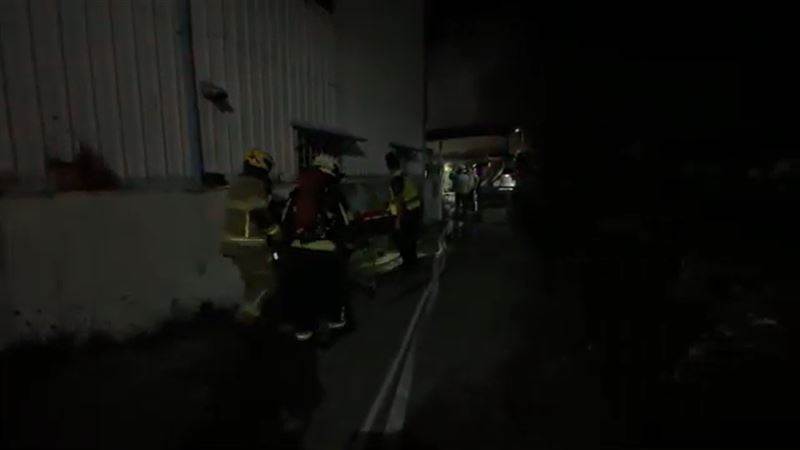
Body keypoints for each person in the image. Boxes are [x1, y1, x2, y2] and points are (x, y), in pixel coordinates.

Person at [279, 154, 353, 341]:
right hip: (326, 252)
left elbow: (285, 222)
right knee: (333, 288)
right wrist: (346, 243)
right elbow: (345, 222)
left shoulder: (297, 193)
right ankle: (335, 322)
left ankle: (303, 330)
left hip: (297, 251)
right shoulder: (332, 192)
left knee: (302, 291)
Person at [220, 149, 281, 322]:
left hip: (233, 243)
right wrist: (276, 233)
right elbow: (260, 214)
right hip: (248, 244)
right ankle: (248, 318)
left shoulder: (238, 184)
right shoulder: (255, 185)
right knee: (266, 282)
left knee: (252, 282)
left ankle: (250, 316)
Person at [385, 152, 422, 268]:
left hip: (407, 213)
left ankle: (408, 263)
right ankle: (412, 262)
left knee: (402, 239)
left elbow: (400, 201)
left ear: (389, 167)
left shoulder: (396, 180)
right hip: (415, 210)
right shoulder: (405, 176)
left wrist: (397, 220)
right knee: (411, 239)